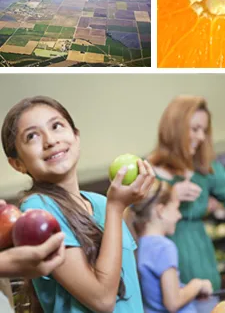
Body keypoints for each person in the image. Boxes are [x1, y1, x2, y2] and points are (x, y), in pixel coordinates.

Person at [1, 95, 154, 313]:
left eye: (56, 126)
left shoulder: (102, 202)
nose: (50, 141)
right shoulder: (37, 209)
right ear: (17, 164)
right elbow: (102, 299)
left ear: (76, 136)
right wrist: (116, 209)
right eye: (32, 136)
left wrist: (115, 206)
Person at [147, 96, 225, 297]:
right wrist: (170, 196)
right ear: (175, 128)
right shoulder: (148, 172)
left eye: (204, 131)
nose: (201, 137)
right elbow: (135, 224)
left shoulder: (205, 169)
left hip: (205, 270)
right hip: (169, 281)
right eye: (195, 129)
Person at [129, 179, 213, 313]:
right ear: (161, 210)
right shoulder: (163, 247)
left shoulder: (137, 245)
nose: (179, 216)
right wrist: (198, 285)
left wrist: (189, 291)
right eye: (176, 208)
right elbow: (173, 303)